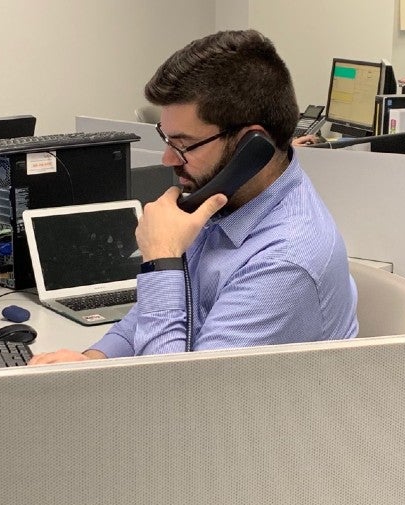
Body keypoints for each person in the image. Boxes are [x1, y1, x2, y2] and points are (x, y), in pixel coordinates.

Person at [29, 29, 358, 365]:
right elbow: (155, 313)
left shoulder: (285, 262)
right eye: (167, 139)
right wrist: (93, 359)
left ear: (252, 146)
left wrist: (162, 259)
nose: (168, 160)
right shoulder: (225, 201)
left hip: (227, 412)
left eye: (184, 144)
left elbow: (182, 401)